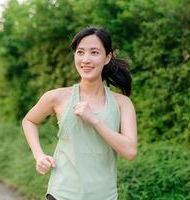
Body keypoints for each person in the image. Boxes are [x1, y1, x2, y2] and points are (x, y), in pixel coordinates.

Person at [21, 26, 137, 200]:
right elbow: (29, 121)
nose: (86, 59)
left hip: (104, 196)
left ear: (107, 57)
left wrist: (94, 120)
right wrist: (39, 155)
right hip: (62, 194)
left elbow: (130, 151)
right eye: (80, 52)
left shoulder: (122, 104)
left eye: (94, 52)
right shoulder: (57, 97)